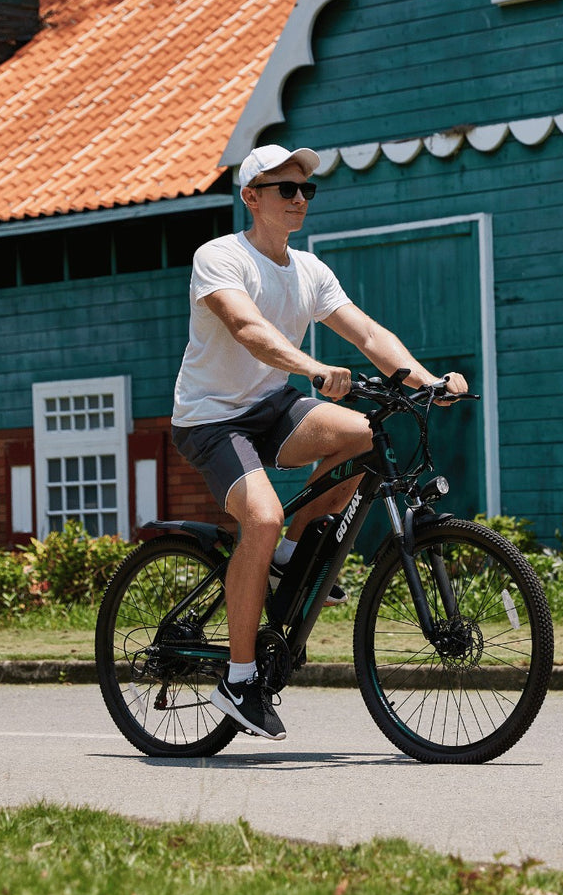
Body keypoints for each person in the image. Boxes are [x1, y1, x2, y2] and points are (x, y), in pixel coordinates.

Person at [170, 143, 469, 740]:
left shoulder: (310, 270)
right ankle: (238, 677)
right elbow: (248, 330)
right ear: (252, 197)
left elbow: (367, 333)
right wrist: (312, 368)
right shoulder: (220, 257)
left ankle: (294, 556)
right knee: (260, 517)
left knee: (366, 434)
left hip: (272, 406)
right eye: (286, 189)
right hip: (211, 417)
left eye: (307, 190)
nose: (300, 198)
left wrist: (428, 380)